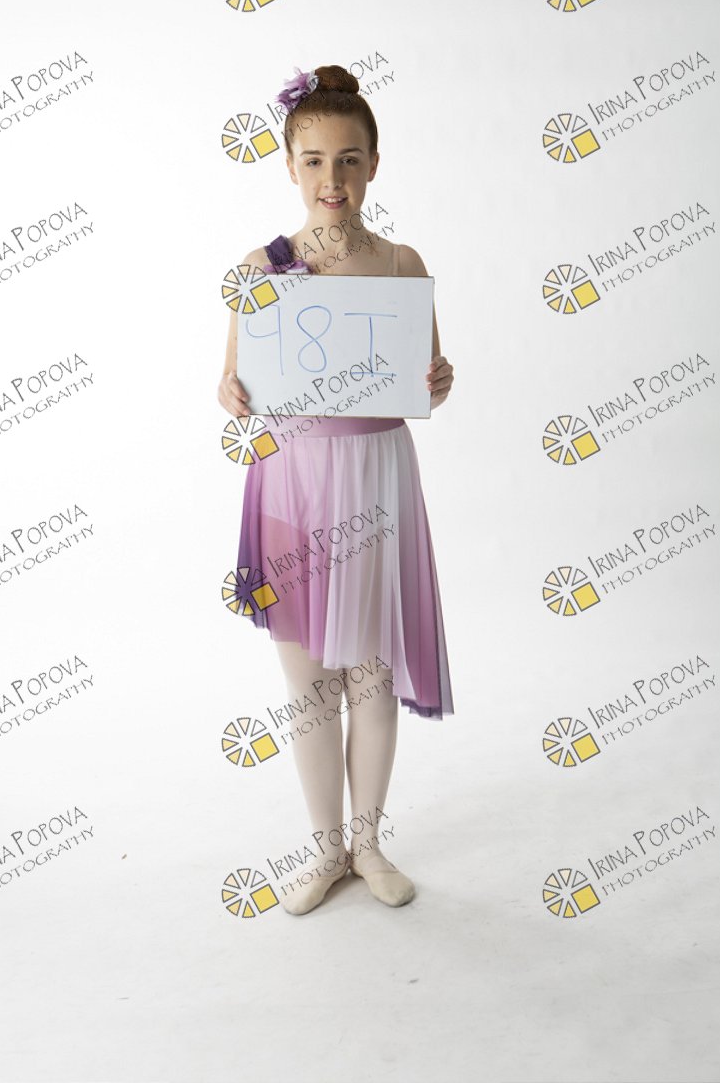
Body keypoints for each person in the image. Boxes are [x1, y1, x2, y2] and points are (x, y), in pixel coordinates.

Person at [217, 64, 455, 915]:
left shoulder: (400, 264)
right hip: (295, 480)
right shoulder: (263, 268)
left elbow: (425, 379)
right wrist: (232, 391)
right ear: (289, 166)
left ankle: (370, 843)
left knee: (371, 674)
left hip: (376, 477)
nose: (332, 178)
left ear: (374, 165)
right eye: (314, 160)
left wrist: (439, 380)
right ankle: (325, 850)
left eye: (349, 160)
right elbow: (233, 381)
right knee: (311, 683)